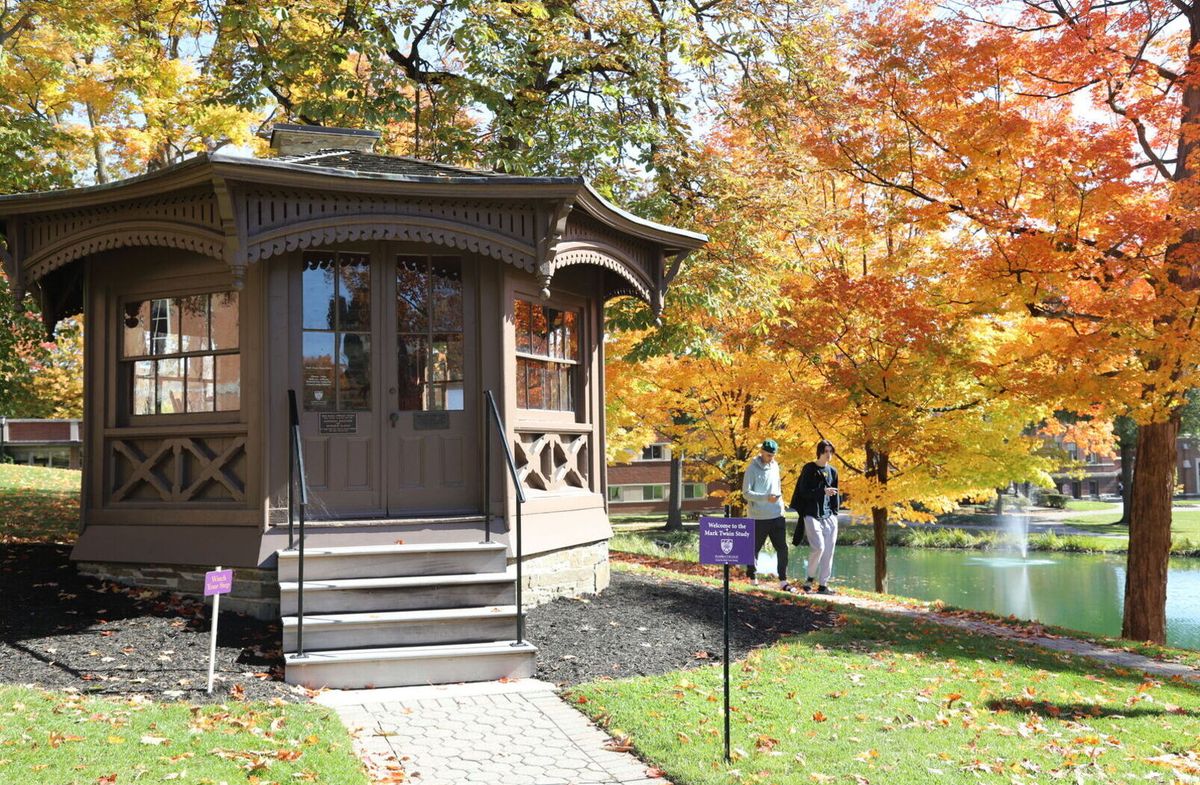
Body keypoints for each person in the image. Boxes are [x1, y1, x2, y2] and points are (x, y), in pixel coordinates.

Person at [790, 439, 839, 594]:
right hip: (811, 514)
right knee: (818, 547)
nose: (829, 454)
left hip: (829, 516)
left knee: (829, 550)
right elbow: (803, 492)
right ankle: (809, 580)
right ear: (819, 452)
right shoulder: (809, 469)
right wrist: (822, 491)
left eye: (831, 451)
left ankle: (823, 585)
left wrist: (835, 514)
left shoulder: (833, 471)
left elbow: (835, 494)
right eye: (826, 451)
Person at [742, 439, 792, 591]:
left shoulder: (775, 466)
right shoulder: (751, 469)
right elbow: (746, 493)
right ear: (762, 452)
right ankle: (752, 576)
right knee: (754, 549)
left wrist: (780, 504)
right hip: (758, 517)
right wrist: (765, 497)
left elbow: (776, 487)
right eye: (769, 455)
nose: (772, 458)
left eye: (773, 455)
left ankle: (783, 580)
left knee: (782, 548)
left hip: (777, 514)